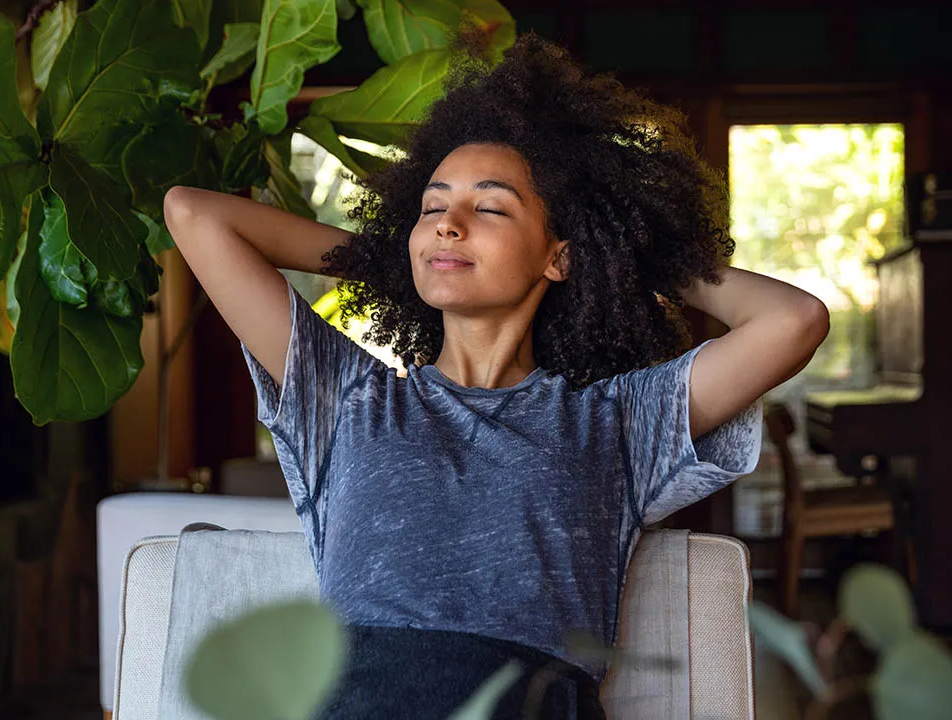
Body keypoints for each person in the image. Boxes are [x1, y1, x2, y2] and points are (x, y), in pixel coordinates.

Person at [165, 33, 829, 720]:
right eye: (430, 208)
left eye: (488, 208)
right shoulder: (348, 396)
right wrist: (399, 259)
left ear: (557, 257)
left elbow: (795, 319)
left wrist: (622, 255)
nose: (448, 225)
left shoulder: (619, 422)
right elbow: (193, 213)